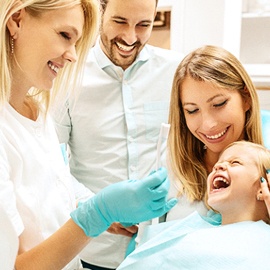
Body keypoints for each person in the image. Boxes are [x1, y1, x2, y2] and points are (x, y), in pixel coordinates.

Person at [0, 1, 177, 269]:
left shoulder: (39, 110)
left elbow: (55, 186)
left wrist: (101, 208)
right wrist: (98, 212)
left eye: (77, 41)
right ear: (16, 20)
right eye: (64, 35)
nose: (72, 55)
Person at [53, 0, 183, 269]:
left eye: (143, 25)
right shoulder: (67, 74)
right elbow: (51, 164)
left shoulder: (176, 71)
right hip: (94, 249)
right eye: (120, 21)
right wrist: (99, 209)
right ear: (101, 11)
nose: (130, 37)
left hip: (163, 248)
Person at [117, 141, 270, 269]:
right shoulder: (191, 230)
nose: (218, 166)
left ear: (264, 188)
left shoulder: (263, 243)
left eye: (235, 162)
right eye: (218, 164)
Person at [165, 45, 265, 222]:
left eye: (219, 104)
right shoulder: (169, 169)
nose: (208, 124)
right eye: (192, 110)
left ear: (246, 98)